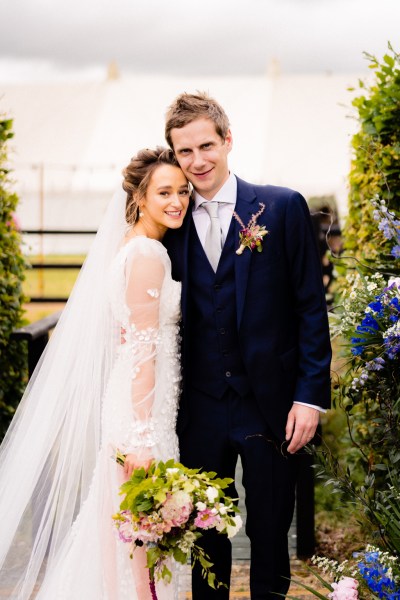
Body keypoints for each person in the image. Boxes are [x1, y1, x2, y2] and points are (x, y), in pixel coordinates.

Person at [0, 147, 190, 599]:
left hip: (140, 402)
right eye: (164, 192)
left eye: (182, 191)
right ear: (140, 197)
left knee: (125, 527)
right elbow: (144, 349)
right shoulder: (147, 253)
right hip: (142, 410)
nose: (177, 201)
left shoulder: (133, 244)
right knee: (141, 529)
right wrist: (143, 438)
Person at [163, 92, 332, 599]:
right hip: (199, 408)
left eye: (206, 145)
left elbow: (309, 308)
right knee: (206, 537)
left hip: (272, 405)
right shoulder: (169, 221)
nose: (198, 161)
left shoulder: (280, 207)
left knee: (270, 530)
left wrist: (310, 396)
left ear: (228, 139)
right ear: (174, 155)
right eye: (184, 152)